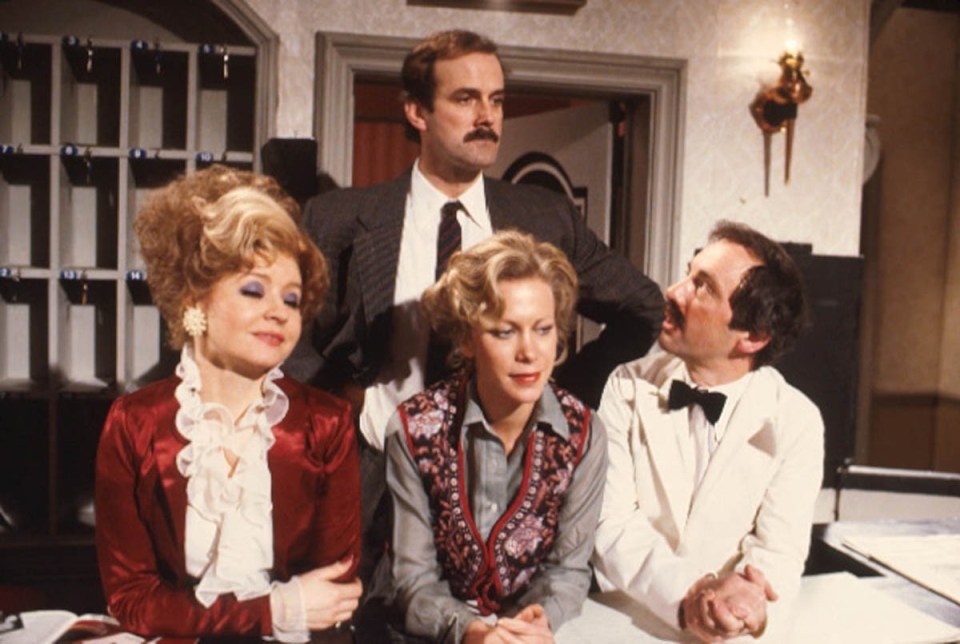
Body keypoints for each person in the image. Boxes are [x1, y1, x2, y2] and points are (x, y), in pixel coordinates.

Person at [286, 27, 662, 597]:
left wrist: (556, 391)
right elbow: (286, 338)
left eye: (497, 100)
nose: (486, 116)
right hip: (374, 484)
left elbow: (643, 307)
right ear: (417, 110)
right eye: (465, 99)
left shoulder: (546, 218)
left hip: (504, 489)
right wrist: (338, 407)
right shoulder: (339, 218)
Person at [94, 165, 362, 641]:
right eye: (253, 290)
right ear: (196, 299)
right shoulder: (135, 422)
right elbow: (133, 601)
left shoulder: (325, 423)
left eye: (293, 299)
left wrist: (287, 614)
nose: (279, 311)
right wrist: (273, 609)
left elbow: (334, 593)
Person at [592, 221, 824, 642]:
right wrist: (689, 597)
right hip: (630, 623)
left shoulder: (797, 421)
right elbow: (611, 523)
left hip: (733, 634)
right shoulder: (626, 384)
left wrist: (745, 603)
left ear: (752, 337)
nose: (674, 292)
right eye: (688, 272)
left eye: (703, 287)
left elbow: (778, 551)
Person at [385, 231, 607, 643]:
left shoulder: (585, 434)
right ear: (467, 339)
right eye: (505, 332)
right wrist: (472, 633)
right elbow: (413, 580)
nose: (530, 352)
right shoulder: (414, 428)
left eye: (542, 329)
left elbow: (568, 570)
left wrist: (532, 625)